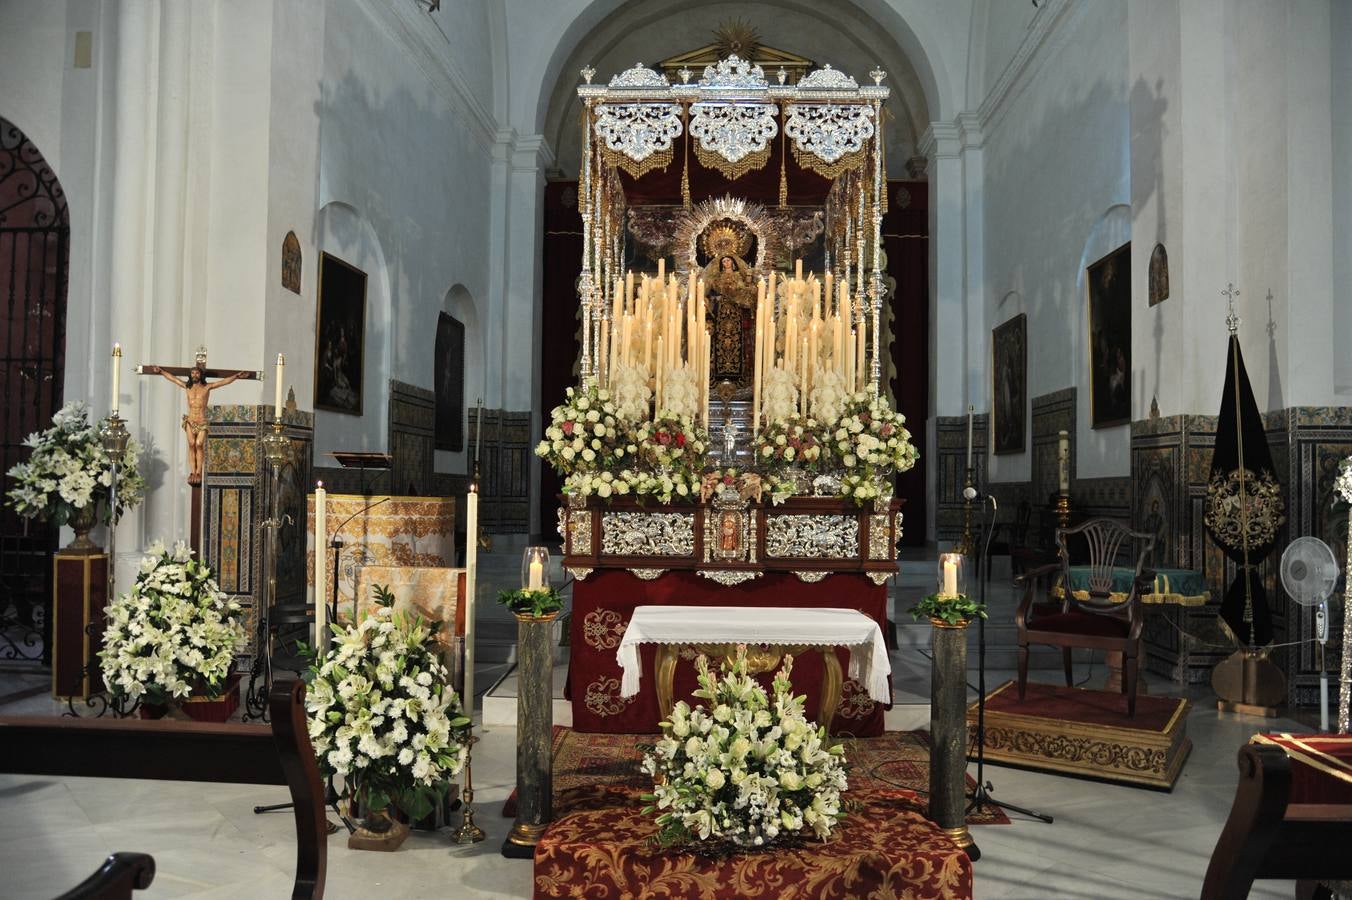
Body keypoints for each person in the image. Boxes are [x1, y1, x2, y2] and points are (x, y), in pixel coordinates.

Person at [158, 365, 250, 485]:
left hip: (201, 421)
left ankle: (199, 471)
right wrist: (161, 371)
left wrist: (236, 376)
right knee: (191, 445)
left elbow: (223, 382)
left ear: (201, 375)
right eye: (193, 373)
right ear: (190, 375)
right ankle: (193, 472)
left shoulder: (207, 387)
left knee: (199, 444)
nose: (195, 375)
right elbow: (173, 379)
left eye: (197, 373)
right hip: (190, 421)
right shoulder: (187, 387)